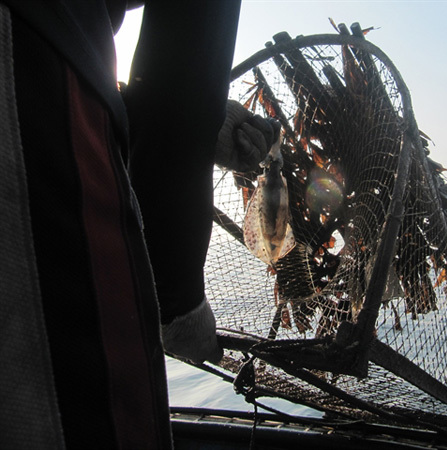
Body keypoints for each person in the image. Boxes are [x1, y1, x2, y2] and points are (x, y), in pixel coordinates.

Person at [0, 1, 275, 448]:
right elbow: (191, 35)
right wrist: (178, 301)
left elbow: (158, 96)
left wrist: (207, 119)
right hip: (31, 77)